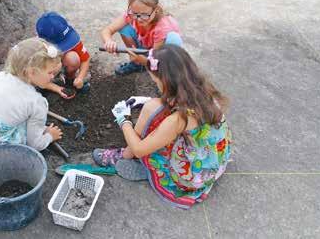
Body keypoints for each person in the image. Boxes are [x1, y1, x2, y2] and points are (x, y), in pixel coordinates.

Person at [93, 44, 232, 209]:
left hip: (193, 177)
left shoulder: (178, 120)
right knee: (152, 106)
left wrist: (124, 119)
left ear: (166, 81)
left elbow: (140, 149)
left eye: (156, 81)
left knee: (150, 114)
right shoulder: (202, 90)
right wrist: (147, 101)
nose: (156, 84)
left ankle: (135, 160)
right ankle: (128, 153)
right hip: (214, 160)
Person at [101, 0, 183, 75]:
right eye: (135, 13)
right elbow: (107, 30)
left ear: (156, 9)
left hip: (159, 52)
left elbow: (154, 59)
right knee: (124, 27)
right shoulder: (132, 14)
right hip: (146, 47)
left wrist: (145, 61)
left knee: (172, 40)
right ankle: (137, 63)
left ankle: (163, 70)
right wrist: (108, 42)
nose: (139, 19)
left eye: (144, 15)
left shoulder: (162, 26)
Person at [36, 12, 91, 99]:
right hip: (49, 70)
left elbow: (85, 59)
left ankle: (70, 78)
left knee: (73, 59)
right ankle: (49, 82)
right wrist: (57, 88)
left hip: (62, 63)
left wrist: (80, 77)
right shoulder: (38, 50)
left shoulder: (71, 38)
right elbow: (35, 77)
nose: (69, 43)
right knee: (53, 68)